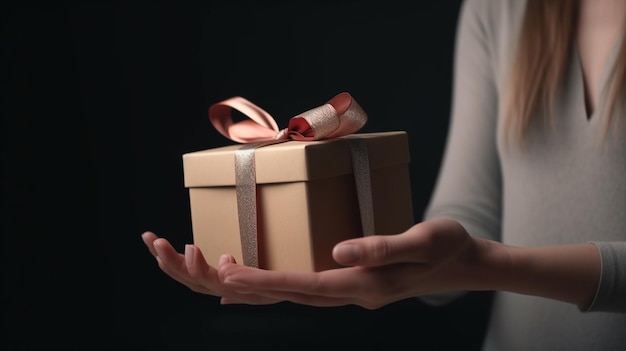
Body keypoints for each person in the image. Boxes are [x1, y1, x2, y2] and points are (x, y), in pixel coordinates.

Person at [141, 0, 626, 349]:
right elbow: (467, 219)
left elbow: (476, 259)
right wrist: (413, 261)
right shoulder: (500, 11)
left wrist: (485, 264)